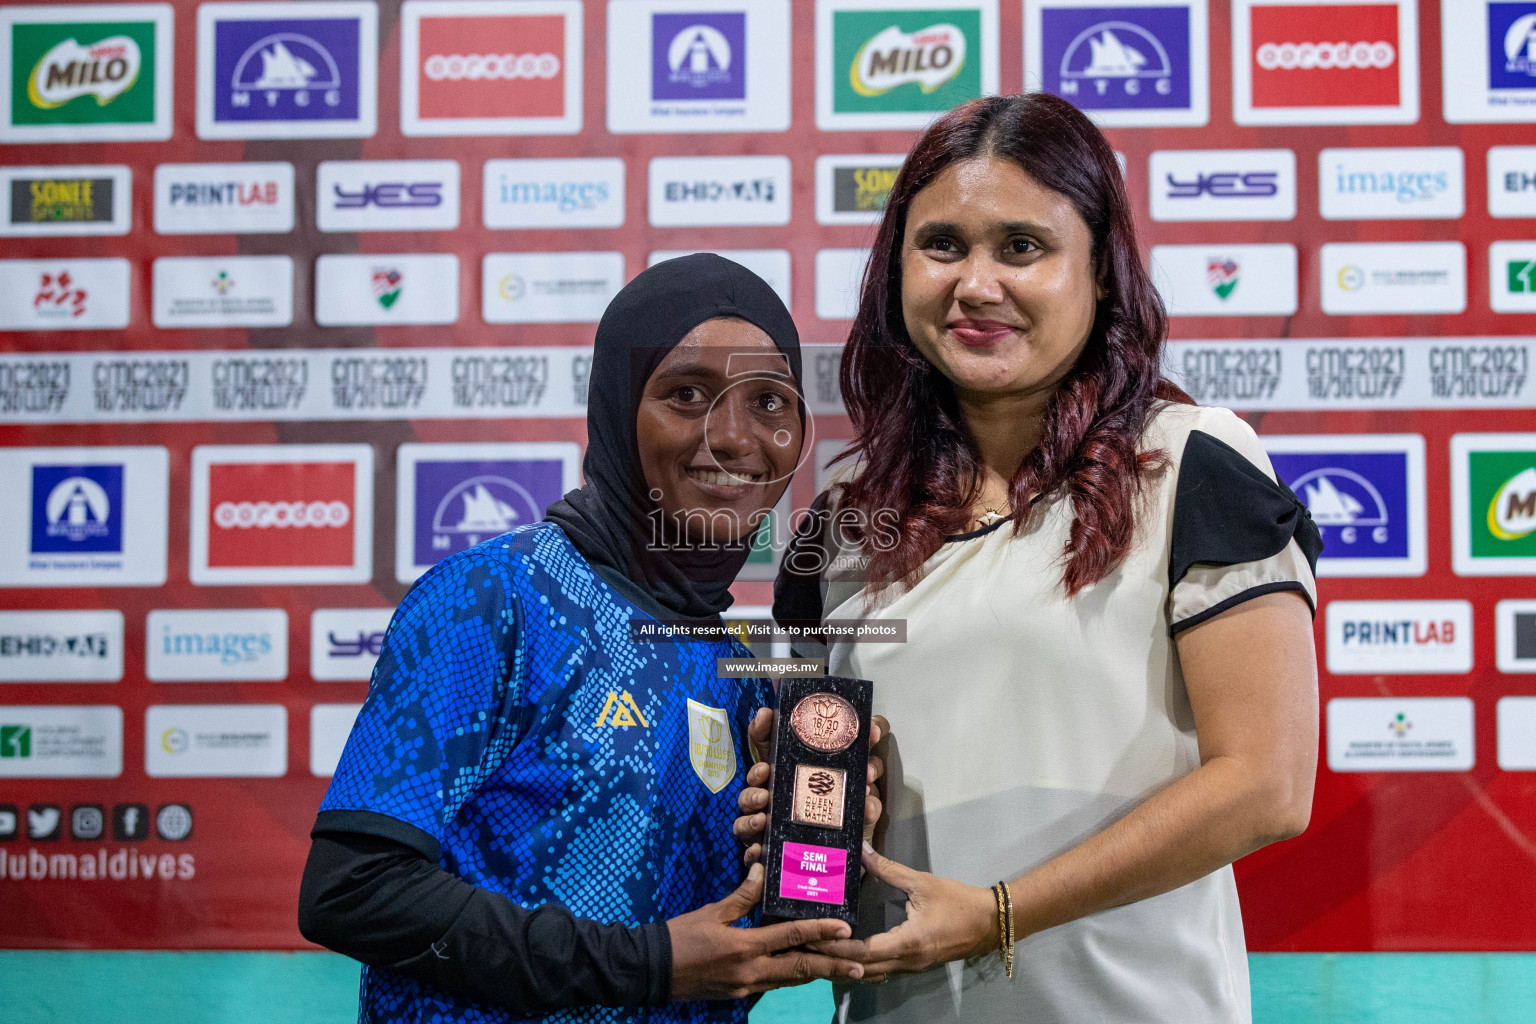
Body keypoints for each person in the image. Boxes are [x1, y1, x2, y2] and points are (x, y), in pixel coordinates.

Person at [736, 94, 1323, 1023]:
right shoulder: (841, 522)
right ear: (896, 273)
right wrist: (808, 811)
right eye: (941, 246)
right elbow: (828, 844)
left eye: (1021, 247)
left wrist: (999, 915)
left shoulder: (1189, 461)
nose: (975, 284)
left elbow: (1268, 785)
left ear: (1100, 273)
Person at [298, 254, 871, 1024]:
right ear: (615, 409)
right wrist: (649, 966)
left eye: (769, 401)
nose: (734, 437)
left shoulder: (746, 676)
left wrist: (821, 862)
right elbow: (352, 890)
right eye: (687, 394)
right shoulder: (495, 598)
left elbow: (714, 961)